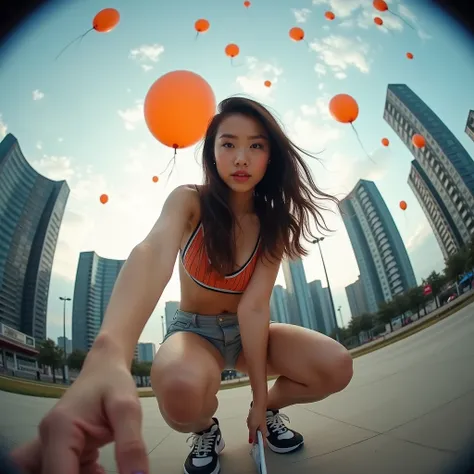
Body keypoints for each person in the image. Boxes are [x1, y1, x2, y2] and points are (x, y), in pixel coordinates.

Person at [9, 97, 353, 474]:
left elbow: (254, 307)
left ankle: (269, 411)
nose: (241, 157)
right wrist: (109, 352)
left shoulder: (273, 223)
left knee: (335, 366)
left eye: (256, 145)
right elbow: (153, 250)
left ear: (270, 156)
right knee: (179, 389)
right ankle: (206, 429)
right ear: (212, 153)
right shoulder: (190, 201)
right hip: (193, 333)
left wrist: (258, 399)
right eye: (228, 144)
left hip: (247, 332)